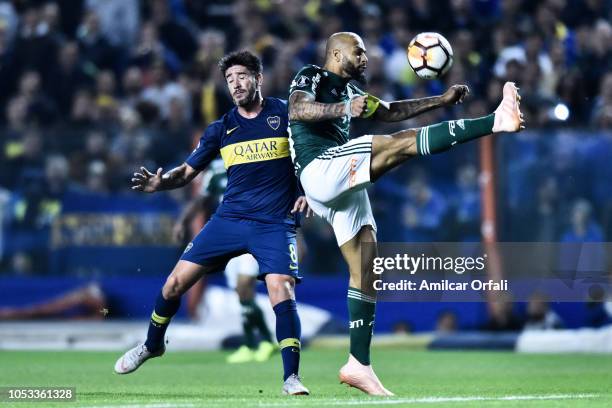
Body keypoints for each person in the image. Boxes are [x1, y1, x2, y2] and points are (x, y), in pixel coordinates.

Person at [288, 32, 524, 396]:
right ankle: (494, 122)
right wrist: (340, 110)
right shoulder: (313, 76)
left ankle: (358, 364)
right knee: (400, 144)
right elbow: (298, 109)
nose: (365, 58)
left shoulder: (353, 93)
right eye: (359, 51)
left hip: (338, 185)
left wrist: (440, 100)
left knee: (366, 267)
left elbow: (391, 111)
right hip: (318, 169)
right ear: (335, 53)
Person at [114, 50, 311, 396]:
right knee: (174, 285)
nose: (235, 84)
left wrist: (310, 191)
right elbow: (187, 173)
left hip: (273, 222)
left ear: (258, 78)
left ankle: (291, 377)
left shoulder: (287, 113)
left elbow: (313, 155)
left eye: (242, 76)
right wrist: (162, 183)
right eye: (230, 79)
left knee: (281, 287)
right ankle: (152, 345)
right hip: (229, 219)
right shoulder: (221, 129)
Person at [173, 157, 277, 364]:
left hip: (255, 230)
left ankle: (263, 342)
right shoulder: (216, 168)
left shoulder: (254, 159)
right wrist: (182, 221)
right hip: (229, 235)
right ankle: (256, 343)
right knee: (242, 294)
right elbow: (201, 199)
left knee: (244, 284)